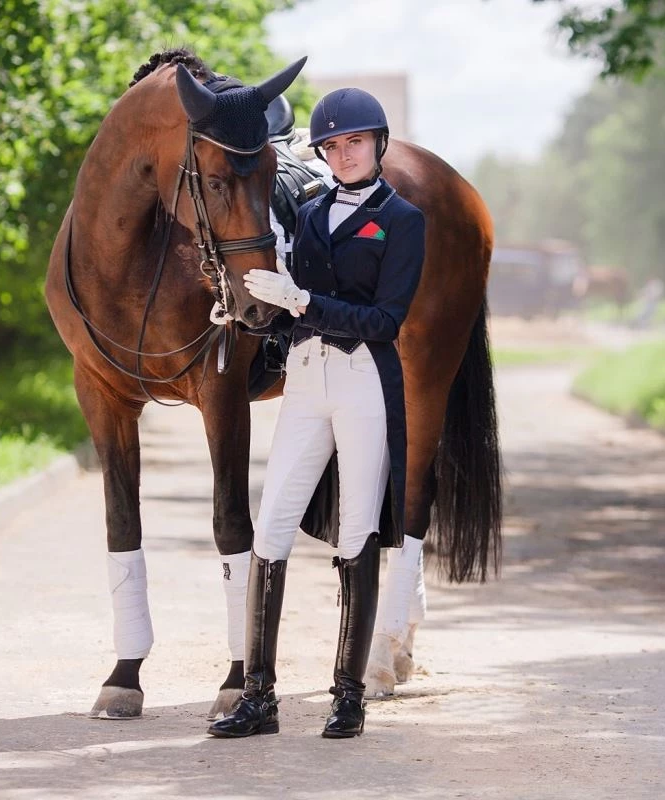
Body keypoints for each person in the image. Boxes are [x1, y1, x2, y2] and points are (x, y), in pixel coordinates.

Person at [207, 88, 426, 739]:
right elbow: (285, 299)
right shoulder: (309, 210)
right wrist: (254, 310)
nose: (343, 153)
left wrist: (299, 300)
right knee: (271, 527)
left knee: (357, 532)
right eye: (331, 145)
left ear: (377, 144)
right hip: (305, 378)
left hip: (363, 378)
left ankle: (348, 694)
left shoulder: (403, 220)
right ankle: (258, 697)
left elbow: (386, 319)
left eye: (354, 142)